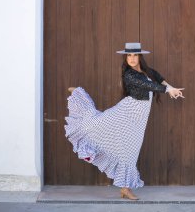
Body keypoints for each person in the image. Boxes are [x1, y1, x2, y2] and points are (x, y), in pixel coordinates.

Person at [64, 42, 184, 200]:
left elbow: (159, 79)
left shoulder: (147, 71)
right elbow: (147, 85)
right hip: (126, 113)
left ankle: (124, 188)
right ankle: (78, 95)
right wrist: (168, 90)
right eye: (129, 55)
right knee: (95, 123)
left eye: (135, 55)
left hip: (139, 119)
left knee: (130, 152)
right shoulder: (129, 74)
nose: (132, 59)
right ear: (126, 57)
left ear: (140, 56)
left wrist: (171, 89)